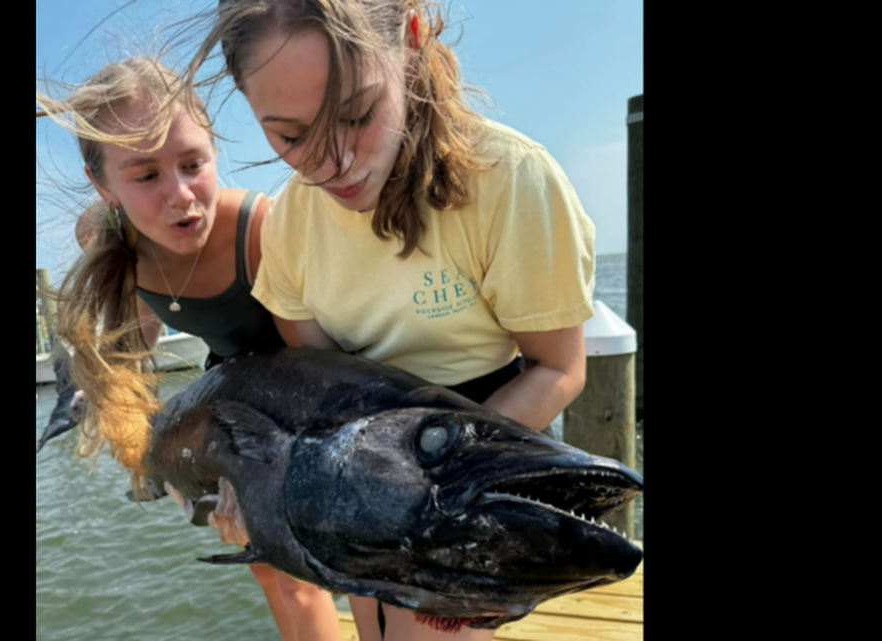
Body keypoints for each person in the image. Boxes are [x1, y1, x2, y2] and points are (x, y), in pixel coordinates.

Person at [178, 2, 594, 639]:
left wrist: (437, 488)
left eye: (356, 115)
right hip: (357, 459)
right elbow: (313, 392)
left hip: (486, 428)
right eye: (289, 136)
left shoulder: (510, 180)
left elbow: (558, 367)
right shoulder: (289, 224)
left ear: (411, 38)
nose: (332, 162)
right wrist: (256, 491)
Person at [36, 56, 341, 641]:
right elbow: (135, 347)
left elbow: (315, 370)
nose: (180, 195)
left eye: (193, 163)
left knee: (297, 574)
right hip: (223, 401)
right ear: (104, 185)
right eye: (145, 176)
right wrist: (165, 461)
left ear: (215, 150)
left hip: (293, 404)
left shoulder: (261, 230)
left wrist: (259, 473)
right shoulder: (115, 241)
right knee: (263, 571)